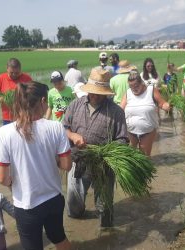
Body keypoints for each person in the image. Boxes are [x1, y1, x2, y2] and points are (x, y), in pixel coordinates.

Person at [0, 81, 72, 250]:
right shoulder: (56, 127)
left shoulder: (3, 134)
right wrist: (51, 160)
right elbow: (66, 165)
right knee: (58, 237)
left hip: (27, 205)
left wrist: (12, 182)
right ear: (43, 101)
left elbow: (1, 178)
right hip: (54, 199)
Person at [63, 68, 128, 228]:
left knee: (104, 206)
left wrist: (105, 153)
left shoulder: (116, 112)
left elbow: (123, 139)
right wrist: (73, 136)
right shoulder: (75, 105)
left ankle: (106, 230)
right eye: (93, 91)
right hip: (77, 160)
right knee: (73, 202)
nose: (95, 95)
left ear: (106, 93)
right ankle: (77, 225)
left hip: (103, 165)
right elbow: (63, 128)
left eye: (100, 92)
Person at [120, 70, 170, 156]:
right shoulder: (128, 93)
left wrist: (167, 106)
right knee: (129, 155)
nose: (134, 89)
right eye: (131, 86)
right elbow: (120, 109)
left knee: (144, 156)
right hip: (130, 131)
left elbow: (162, 103)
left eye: (136, 85)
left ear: (142, 83)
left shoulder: (151, 90)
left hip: (148, 131)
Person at [0, 58, 32, 125]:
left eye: (17, 73)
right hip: (7, 118)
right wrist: (6, 99)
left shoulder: (26, 78)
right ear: (7, 69)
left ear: (20, 70)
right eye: (11, 72)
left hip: (23, 116)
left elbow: (33, 94)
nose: (14, 75)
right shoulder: (1, 78)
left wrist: (22, 98)